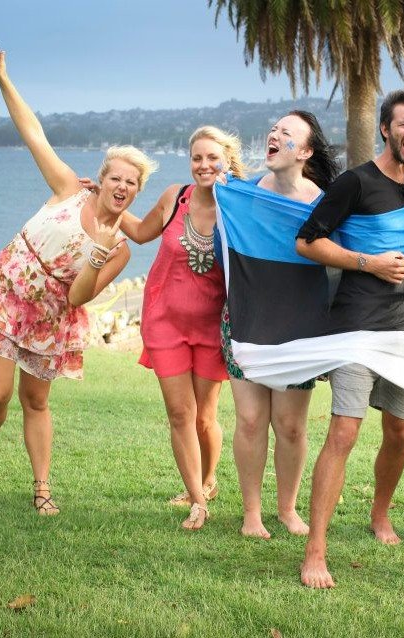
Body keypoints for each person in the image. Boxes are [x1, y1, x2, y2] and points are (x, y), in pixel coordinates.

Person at [0, 53, 157, 515]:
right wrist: (4, 79)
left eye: (132, 183)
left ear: (137, 191)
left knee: (36, 401)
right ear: (102, 177)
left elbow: (77, 297)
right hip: (5, 292)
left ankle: (42, 489)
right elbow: (33, 133)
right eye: (116, 176)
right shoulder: (71, 188)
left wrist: (97, 254)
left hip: (50, 318)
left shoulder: (121, 250)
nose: (122, 186)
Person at [295, 89, 404, 588]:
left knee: (399, 433)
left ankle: (379, 513)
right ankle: (315, 549)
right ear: (385, 129)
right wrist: (367, 263)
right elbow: (307, 241)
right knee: (345, 432)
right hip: (355, 326)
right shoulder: (355, 182)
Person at [119, 126, 248, 530]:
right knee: (180, 413)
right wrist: (105, 203)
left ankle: (208, 481)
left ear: (226, 160)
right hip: (165, 322)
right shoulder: (175, 197)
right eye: (197, 158)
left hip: (213, 327)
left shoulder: (239, 207)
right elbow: (141, 234)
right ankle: (197, 500)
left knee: (205, 418)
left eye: (212, 157)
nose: (204, 165)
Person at [222, 110, 340, 538]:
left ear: (305, 151)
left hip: (299, 326)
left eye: (286, 133)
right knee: (250, 420)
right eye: (273, 130)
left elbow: (342, 257)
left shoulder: (324, 202)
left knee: (290, 426)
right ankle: (252, 512)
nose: (274, 135)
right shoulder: (243, 193)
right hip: (246, 318)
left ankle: (287, 509)